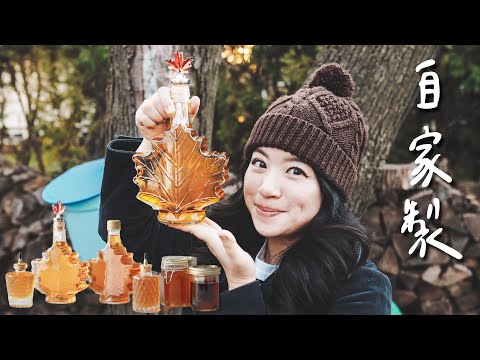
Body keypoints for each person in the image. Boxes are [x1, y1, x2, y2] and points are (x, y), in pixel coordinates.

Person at [99, 63, 392, 314]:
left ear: (330, 189)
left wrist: (242, 284)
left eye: (295, 171)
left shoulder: (360, 288)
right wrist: (151, 144)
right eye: (260, 163)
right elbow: (126, 234)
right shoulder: (223, 236)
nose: (267, 188)